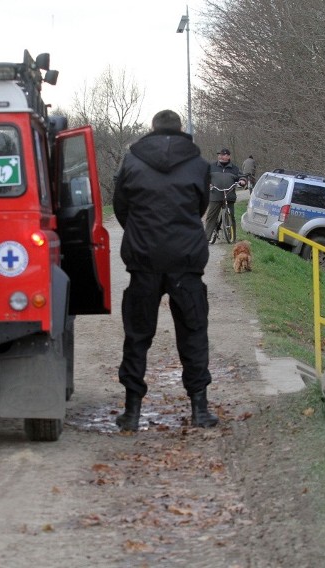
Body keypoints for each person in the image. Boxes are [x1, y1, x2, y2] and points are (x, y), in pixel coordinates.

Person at [112, 109, 219, 432]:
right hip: (186, 261)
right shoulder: (199, 164)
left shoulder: (131, 162)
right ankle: (199, 409)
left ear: (152, 129)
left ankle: (132, 412)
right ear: (181, 129)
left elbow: (121, 207)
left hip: (143, 261)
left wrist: (140, 234)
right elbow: (201, 206)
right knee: (194, 332)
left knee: (137, 335)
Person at [203, 148, 246, 242]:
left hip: (229, 195)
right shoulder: (212, 166)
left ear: (228, 156)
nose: (220, 156)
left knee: (231, 216)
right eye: (219, 155)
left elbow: (242, 177)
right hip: (215, 195)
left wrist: (242, 181)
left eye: (223, 155)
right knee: (211, 217)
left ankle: (232, 237)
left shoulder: (234, 168)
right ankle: (206, 239)